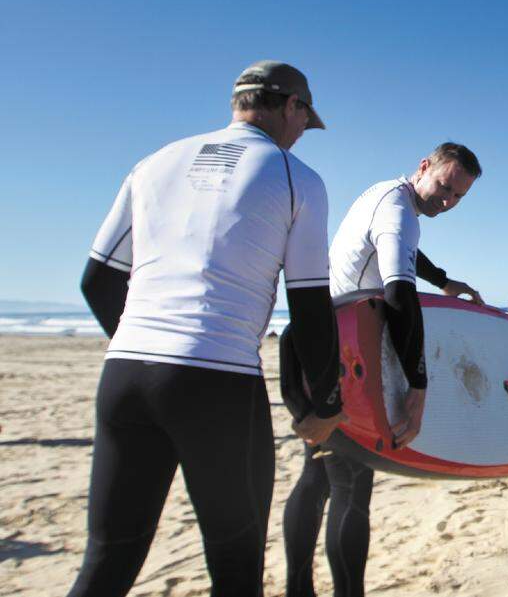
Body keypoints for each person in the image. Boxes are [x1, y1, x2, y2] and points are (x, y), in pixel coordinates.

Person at [69, 61, 343, 596]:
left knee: (107, 562)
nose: (300, 136)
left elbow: (98, 279)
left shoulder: (153, 163)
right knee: (236, 568)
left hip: (125, 376)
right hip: (217, 383)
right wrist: (323, 404)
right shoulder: (296, 178)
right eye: (304, 122)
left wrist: (147, 350)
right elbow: (309, 304)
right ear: (291, 106)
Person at [283, 143, 484, 597]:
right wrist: (417, 383)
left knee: (316, 474)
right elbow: (398, 295)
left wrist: (442, 280)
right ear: (424, 166)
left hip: (325, 344)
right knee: (352, 484)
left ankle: (299, 589)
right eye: (444, 187)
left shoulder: (383, 194)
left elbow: (402, 253)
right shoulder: (399, 212)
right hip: (352, 358)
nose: (447, 201)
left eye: (458, 197)